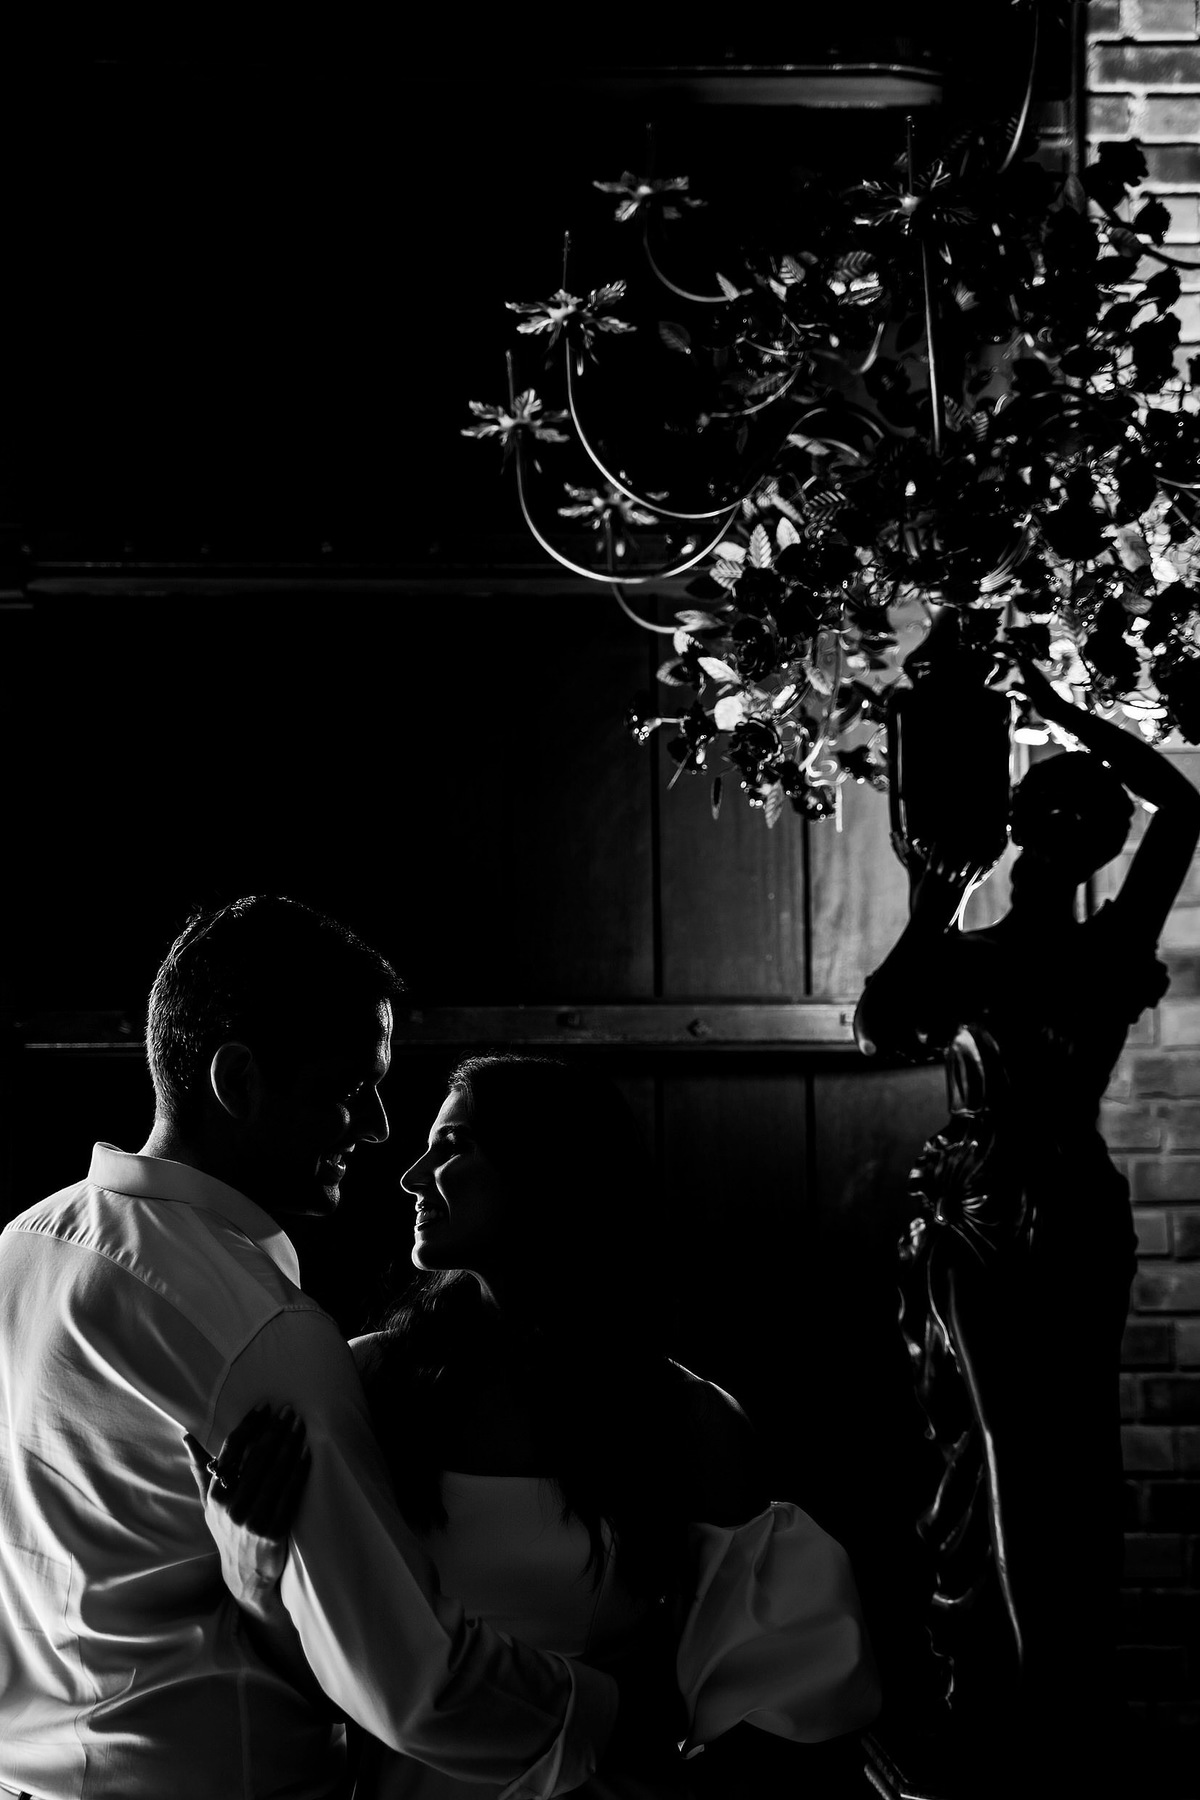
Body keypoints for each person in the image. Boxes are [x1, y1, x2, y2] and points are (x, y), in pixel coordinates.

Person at [0, 897, 626, 1800]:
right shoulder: (264, 1335)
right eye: (347, 1089)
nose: (376, 1128)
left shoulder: (22, 1248)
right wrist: (614, 1720)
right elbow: (410, 1681)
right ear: (238, 1080)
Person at [198, 1053, 881, 1799]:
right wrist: (252, 1566)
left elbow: (785, 1697)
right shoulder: (364, 1384)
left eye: (452, 1147)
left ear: (550, 1171)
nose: (412, 1177)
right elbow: (298, 1674)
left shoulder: (686, 1420)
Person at [854, 660, 1200, 1791]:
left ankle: (1032, 1709)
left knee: (1012, 1452)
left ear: (1026, 830)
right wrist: (1059, 715)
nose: (1051, 832)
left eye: (1060, 814)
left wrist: (933, 899)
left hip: (1001, 1200)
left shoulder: (1011, 954)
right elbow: (1182, 804)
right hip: (1037, 1200)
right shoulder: (1083, 945)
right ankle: (1032, 1700)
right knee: (1030, 1449)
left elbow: (881, 1026)